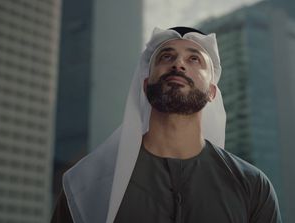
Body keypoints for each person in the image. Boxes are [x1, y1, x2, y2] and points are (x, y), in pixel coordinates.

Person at [51, 26, 282, 223]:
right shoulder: (87, 184)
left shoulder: (252, 186)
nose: (178, 64)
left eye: (194, 59)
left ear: (212, 92)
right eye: (166, 56)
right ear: (145, 85)